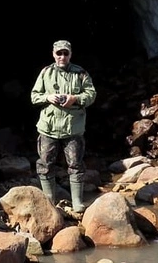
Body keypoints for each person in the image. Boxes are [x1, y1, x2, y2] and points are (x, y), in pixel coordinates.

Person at [30, 40, 97, 213]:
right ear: (53, 54)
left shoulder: (80, 73)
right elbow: (34, 96)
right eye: (59, 53)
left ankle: (77, 202)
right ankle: (49, 201)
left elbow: (91, 95)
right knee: (45, 164)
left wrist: (74, 99)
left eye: (65, 53)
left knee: (75, 164)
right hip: (49, 128)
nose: (62, 57)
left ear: (70, 54)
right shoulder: (46, 72)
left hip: (73, 128)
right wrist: (48, 97)